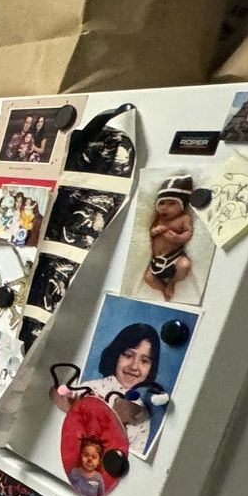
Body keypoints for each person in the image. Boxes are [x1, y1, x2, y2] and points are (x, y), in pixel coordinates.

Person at [82, 322, 165, 455]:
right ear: (116, 355)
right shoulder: (89, 389)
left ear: (151, 367)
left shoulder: (142, 414)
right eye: (128, 355)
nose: (134, 366)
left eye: (144, 361)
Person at [142, 176, 196, 301]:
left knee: (185, 265)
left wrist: (177, 237)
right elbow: (150, 233)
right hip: (157, 261)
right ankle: (163, 289)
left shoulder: (184, 218)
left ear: (182, 206)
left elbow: (189, 233)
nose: (164, 207)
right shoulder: (158, 218)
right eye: (161, 203)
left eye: (172, 203)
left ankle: (172, 282)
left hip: (174, 258)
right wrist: (155, 231)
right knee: (148, 278)